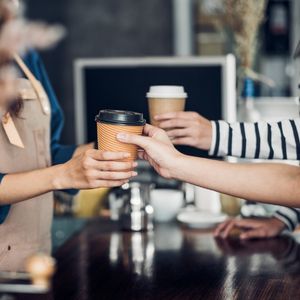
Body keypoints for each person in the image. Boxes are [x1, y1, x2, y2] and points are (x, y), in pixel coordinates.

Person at [0, 2, 136, 270]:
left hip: (35, 255)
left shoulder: (24, 57)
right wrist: (62, 175)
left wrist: (105, 150)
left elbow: (45, 152)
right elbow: (55, 172)